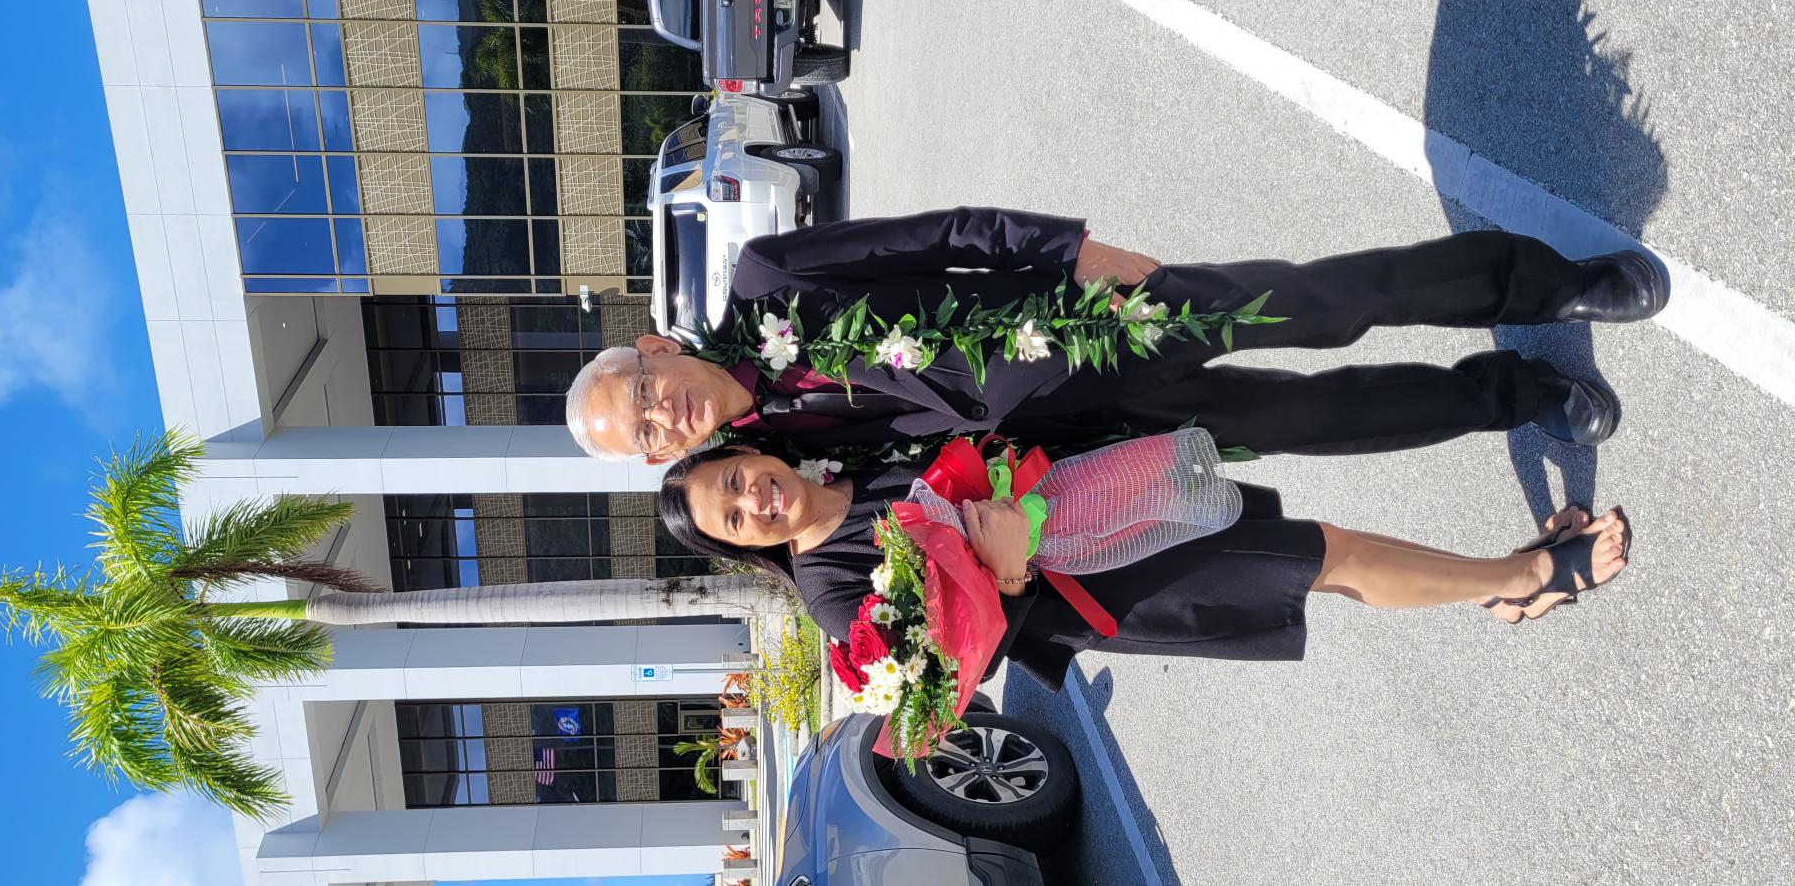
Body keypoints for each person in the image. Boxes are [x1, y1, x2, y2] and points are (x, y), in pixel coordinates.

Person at [566, 207, 1665, 464]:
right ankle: (1513, 394)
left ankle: (1552, 284)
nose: (664, 418)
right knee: (1310, 422)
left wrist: (1080, 256)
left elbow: (940, 233)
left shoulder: (767, 279)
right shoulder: (764, 472)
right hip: (1080, 434)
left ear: (654, 350)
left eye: (643, 397)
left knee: (1322, 303)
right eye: (647, 436)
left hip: (1082, 327)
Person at [654, 445, 1632, 690]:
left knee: (1324, 550)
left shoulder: (844, 462)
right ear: (743, 544)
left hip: (1100, 512)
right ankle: (1525, 579)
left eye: (735, 478)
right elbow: (957, 666)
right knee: (1323, 559)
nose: (753, 499)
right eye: (733, 517)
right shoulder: (834, 595)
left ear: (751, 454)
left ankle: (1507, 579)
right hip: (1104, 589)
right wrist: (1006, 576)